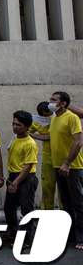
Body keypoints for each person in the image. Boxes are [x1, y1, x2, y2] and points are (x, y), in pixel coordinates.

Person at [49, 92, 83, 250]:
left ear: (63, 103)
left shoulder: (72, 117)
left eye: (54, 100)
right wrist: (32, 134)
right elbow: (52, 137)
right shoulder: (55, 117)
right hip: (58, 166)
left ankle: (81, 238)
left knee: (78, 203)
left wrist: (67, 163)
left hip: (72, 167)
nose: (50, 102)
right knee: (66, 203)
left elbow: (78, 142)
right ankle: (70, 236)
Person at [4, 110, 39, 247]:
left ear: (27, 127)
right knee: (8, 208)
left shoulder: (30, 143)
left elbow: (28, 166)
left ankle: (26, 241)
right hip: (13, 176)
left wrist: (16, 182)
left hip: (25, 178)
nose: (14, 127)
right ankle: (13, 233)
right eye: (13, 124)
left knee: (26, 210)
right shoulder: (15, 138)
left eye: (18, 125)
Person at [29, 102, 56, 209]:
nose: (49, 116)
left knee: (64, 190)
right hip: (48, 158)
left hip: (63, 158)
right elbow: (26, 132)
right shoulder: (37, 121)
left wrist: (36, 135)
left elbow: (51, 136)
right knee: (47, 188)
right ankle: (46, 212)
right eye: (46, 114)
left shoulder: (59, 118)